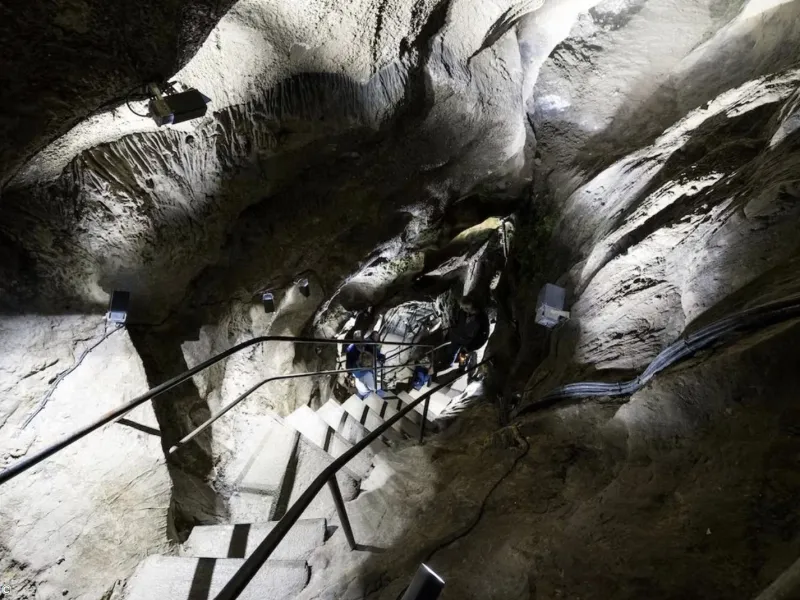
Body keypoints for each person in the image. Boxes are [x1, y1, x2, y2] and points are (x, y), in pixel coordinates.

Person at [446, 298, 490, 370]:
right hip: (458, 337)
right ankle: (449, 363)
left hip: (469, 341)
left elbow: (483, 336)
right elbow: (457, 321)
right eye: (463, 307)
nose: (464, 309)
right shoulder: (462, 312)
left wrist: (472, 346)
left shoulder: (482, 318)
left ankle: (461, 368)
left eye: (466, 308)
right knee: (452, 351)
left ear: (473, 306)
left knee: (463, 355)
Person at [345, 331, 386, 398]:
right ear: (354, 340)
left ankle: (361, 394)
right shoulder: (351, 350)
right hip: (361, 368)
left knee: (365, 382)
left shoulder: (365, 344)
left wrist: (380, 356)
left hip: (361, 369)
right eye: (358, 341)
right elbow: (349, 365)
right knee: (376, 389)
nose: (361, 343)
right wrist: (352, 372)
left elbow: (373, 350)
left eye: (361, 340)